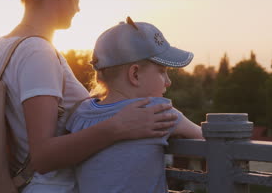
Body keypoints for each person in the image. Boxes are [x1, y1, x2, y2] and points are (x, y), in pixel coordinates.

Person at [0, 0, 178, 192]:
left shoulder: (4, 47)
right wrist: (118, 126)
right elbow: (42, 156)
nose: (79, 6)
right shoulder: (37, 52)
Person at [66, 17, 203, 193]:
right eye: (162, 72)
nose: (168, 82)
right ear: (135, 74)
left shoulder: (82, 113)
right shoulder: (156, 111)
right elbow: (208, 138)